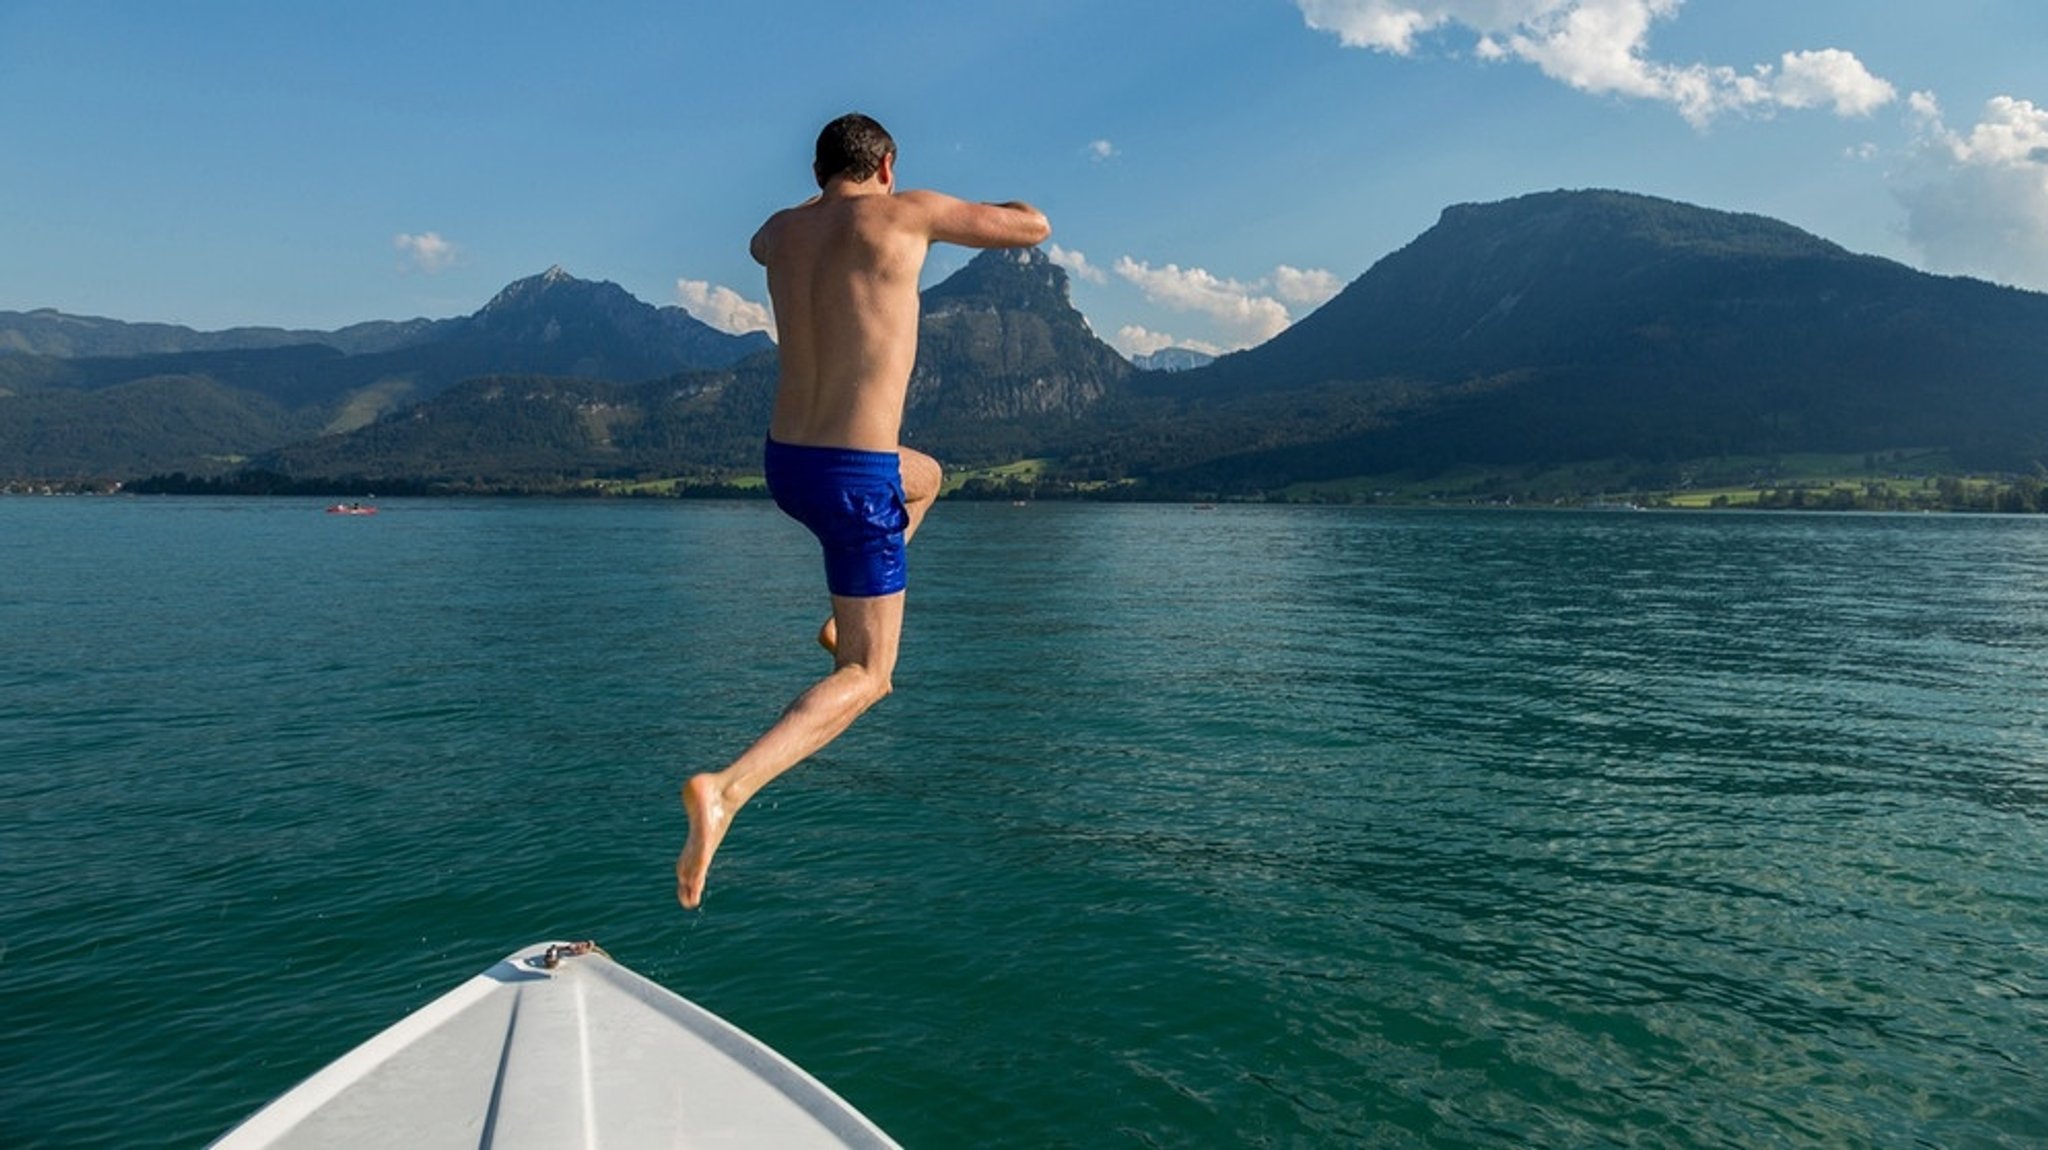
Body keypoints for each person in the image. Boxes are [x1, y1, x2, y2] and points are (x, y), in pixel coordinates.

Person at [676, 113, 1050, 909]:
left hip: (789, 465)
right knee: (871, 675)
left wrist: (820, 213)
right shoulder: (905, 210)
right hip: (851, 477)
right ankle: (728, 791)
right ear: (886, 164)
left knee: (930, 475)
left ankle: (842, 618)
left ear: (817, 172)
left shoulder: (777, 232)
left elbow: (759, 245)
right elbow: (1032, 227)